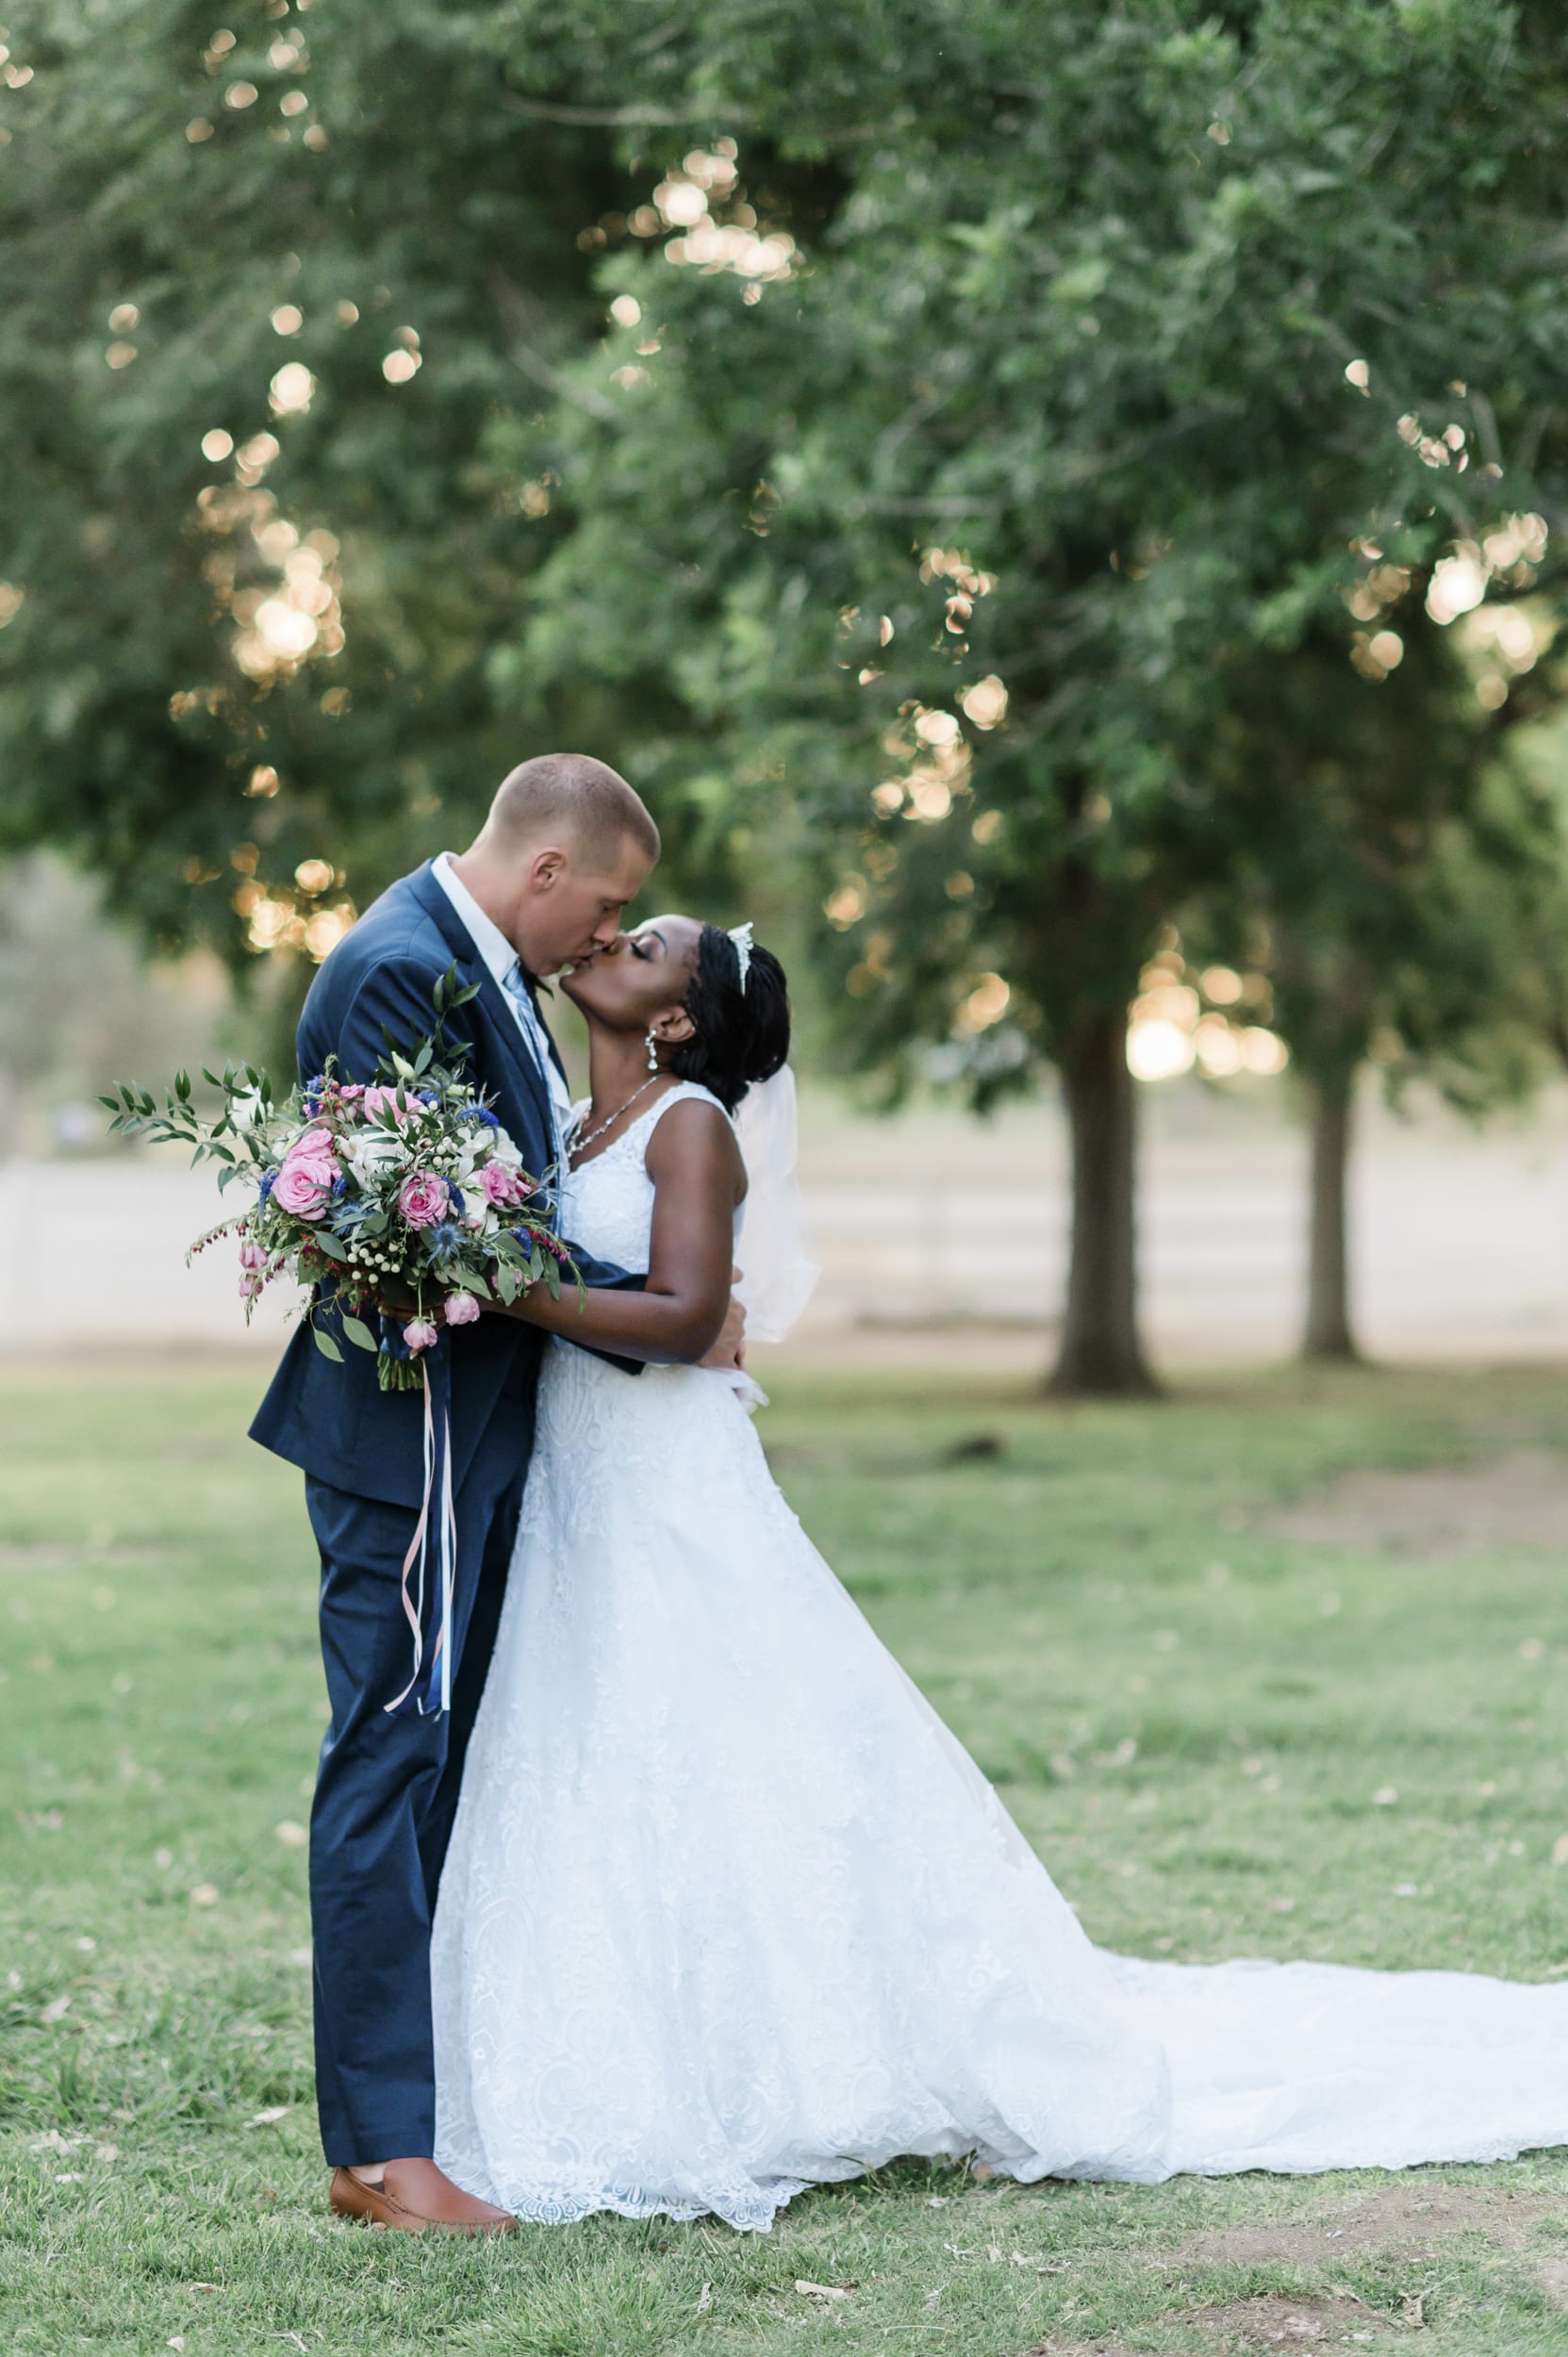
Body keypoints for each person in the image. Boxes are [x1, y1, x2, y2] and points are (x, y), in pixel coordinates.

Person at [430, 911, 1568, 2233]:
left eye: (646, 950)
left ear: (677, 1019)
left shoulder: (690, 1124)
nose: (611, 945)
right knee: (616, 1749)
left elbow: (688, 1318)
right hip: (588, 1485)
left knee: (714, 1743)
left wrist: (494, 1279)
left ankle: (767, 2064)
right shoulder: (580, 1122)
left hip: (665, 1486)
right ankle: (632, 2043)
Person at [249, 756, 744, 2235]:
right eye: (605, 905)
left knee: (447, 1764)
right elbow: (424, 1239)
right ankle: (380, 2154)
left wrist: (669, 1299)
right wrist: (650, 1301)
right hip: (410, 1441)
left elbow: (498, 1211)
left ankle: (441, 2109)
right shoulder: (401, 972)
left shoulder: (495, 978)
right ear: (546, 873)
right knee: (387, 1763)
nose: (604, 937)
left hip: (482, 1433)